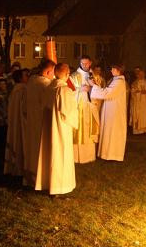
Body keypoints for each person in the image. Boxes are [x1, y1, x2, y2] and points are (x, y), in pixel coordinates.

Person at [35, 63, 79, 195]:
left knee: (49, 154)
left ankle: (48, 183)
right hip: (61, 128)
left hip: (49, 127)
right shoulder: (64, 90)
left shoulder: (49, 88)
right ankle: (60, 187)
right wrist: (75, 120)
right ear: (66, 74)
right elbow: (68, 112)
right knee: (60, 154)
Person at [24, 60, 55, 185]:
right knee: (42, 150)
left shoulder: (31, 81)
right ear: (48, 71)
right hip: (43, 121)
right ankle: (42, 177)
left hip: (32, 119)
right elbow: (50, 103)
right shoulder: (46, 85)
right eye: (53, 72)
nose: (53, 75)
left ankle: (31, 174)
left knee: (32, 148)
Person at [91, 65, 127, 161]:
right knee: (108, 130)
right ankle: (106, 153)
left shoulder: (119, 82)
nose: (111, 70)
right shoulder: (115, 80)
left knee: (113, 131)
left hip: (114, 111)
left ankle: (113, 155)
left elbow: (108, 93)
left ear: (117, 70)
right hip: (110, 109)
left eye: (113, 69)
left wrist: (94, 86)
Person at [69, 56, 100, 164]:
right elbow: (68, 91)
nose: (84, 65)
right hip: (79, 108)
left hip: (90, 107)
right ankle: (78, 157)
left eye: (86, 63)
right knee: (79, 131)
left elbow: (100, 89)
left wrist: (92, 88)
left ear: (90, 63)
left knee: (89, 131)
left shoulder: (94, 75)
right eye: (82, 63)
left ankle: (89, 156)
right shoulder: (73, 76)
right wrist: (79, 89)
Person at [4, 70, 28, 176]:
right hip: (21, 122)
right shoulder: (22, 90)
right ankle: (20, 166)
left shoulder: (15, 90)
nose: (27, 77)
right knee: (20, 141)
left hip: (15, 121)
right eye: (25, 76)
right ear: (20, 78)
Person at [130, 69, 146, 135]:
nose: (141, 75)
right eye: (139, 74)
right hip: (138, 102)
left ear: (144, 74)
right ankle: (138, 130)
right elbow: (132, 92)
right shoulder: (134, 83)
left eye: (142, 74)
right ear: (137, 75)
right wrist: (140, 92)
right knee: (138, 115)